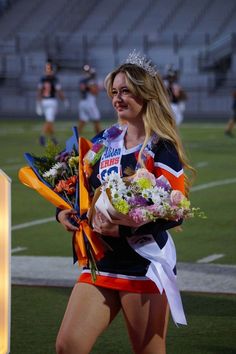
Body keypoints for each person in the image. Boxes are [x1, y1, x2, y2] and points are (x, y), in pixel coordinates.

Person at [55, 51, 194, 354]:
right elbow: (81, 188)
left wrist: (125, 228)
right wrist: (64, 211)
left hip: (142, 261)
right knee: (69, 346)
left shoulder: (160, 147)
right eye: (114, 92)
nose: (117, 98)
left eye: (126, 91)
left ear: (145, 95)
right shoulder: (103, 140)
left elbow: (176, 211)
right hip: (101, 262)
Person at [36, 60, 69, 146]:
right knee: (49, 121)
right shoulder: (54, 79)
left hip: (43, 101)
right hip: (51, 101)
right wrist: (64, 100)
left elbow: (39, 92)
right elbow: (59, 92)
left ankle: (53, 138)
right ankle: (42, 136)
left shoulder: (42, 79)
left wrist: (38, 103)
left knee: (50, 121)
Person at [78, 64, 102, 135]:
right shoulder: (91, 81)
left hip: (82, 102)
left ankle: (75, 137)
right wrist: (98, 87)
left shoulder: (82, 80)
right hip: (89, 102)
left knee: (83, 120)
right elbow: (94, 92)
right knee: (96, 119)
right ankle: (100, 138)